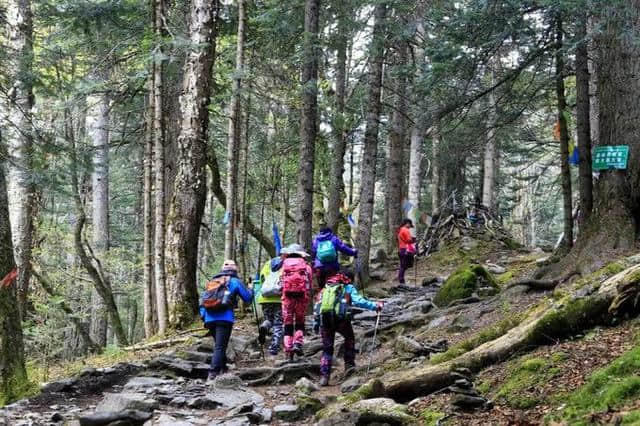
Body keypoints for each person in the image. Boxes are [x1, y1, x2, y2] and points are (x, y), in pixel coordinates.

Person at [313, 270, 383, 386]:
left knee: (327, 349)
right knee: (349, 339)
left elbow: (318, 306)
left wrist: (316, 324)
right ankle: (349, 366)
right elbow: (358, 301)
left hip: (325, 320)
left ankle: (324, 377)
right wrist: (375, 306)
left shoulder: (327, 287)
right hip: (341, 320)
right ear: (350, 278)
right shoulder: (348, 287)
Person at [199, 260, 253, 380]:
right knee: (220, 346)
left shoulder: (212, 282)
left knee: (219, 345)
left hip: (209, 318)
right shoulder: (234, 281)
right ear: (235, 269)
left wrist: (203, 317)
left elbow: (202, 301)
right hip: (224, 318)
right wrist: (251, 289)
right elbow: (247, 298)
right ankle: (213, 373)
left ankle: (223, 368)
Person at [280, 244, 313, 361]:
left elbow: (280, 284)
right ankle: (297, 344)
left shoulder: (284, 266)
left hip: (287, 299)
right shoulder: (306, 267)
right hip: (301, 298)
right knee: (300, 322)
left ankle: (288, 351)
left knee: (287, 324)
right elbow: (309, 284)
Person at [257, 257, 284, 356]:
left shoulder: (267, 265)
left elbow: (261, 280)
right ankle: (274, 347)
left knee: (268, 319)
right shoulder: (285, 265)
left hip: (265, 298)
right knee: (278, 323)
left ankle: (264, 326)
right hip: (279, 299)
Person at [396, 218, 416, 284]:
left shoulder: (400, 229)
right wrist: (414, 240)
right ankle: (401, 281)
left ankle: (401, 280)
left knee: (402, 266)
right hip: (405, 249)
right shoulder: (405, 230)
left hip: (401, 249)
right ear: (407, 223)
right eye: (410, 225)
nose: (410, 227)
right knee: (403, 266)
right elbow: (408, 240)